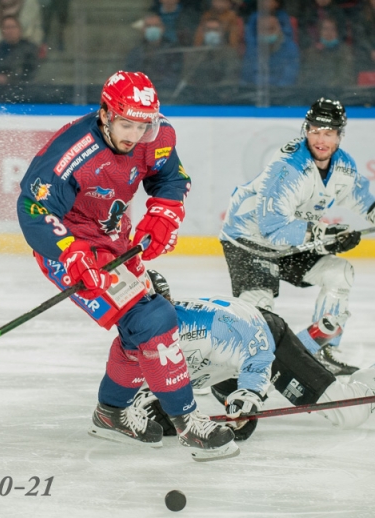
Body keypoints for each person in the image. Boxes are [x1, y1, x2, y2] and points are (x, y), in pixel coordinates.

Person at [16, 71, 238, 462]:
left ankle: (112, 413)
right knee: (153, 318)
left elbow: (169, 178)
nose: (134, 135)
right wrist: (71, 253)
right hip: (70, 246)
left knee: (143, 325)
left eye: (142, 124)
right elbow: (33, 209)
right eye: (126, 124)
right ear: (105, 114)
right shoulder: (72, 152)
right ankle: (187, 423)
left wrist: (165, 215)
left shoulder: (157, 134)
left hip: (114, 241)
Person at [134, 270, 375, 441]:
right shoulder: (132, 338)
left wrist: (248, 395)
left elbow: (257, 355)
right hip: (223, 363)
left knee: (347, 413)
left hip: (263, 338)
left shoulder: (210, 327)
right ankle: (312, 341)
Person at [219, 98, 375, 375]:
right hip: (249, 242)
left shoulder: (343, 165)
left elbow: (359, 197)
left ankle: (322, 348)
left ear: (339, 136)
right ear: (306, 130)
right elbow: (272, 227)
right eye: (315, 131)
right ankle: (222, 370)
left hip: (294, 239)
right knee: (259, 314)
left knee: (339, 273)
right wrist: (324, 233)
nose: (321, 140)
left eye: (329, 133)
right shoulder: (288, 168)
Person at [125, 12, 183, 93]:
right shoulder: (135, 52)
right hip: (141, 94)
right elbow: (131, 76)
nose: (152, 29)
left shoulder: (173, 50)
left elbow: (174, 76)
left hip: (166, 94)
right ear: (143, 29)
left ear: (163, 28)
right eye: (148, 26)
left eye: (156, 26)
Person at [240, 13, 300, 86]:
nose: (267, 33)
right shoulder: (252, 49)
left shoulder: (291, 48)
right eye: (263, 29)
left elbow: (289, 78)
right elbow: (246, 77)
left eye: (271, 29)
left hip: (282, 93)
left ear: (279, 29)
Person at [299, 16, 355, 87]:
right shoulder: (311, 52)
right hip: (315, 92)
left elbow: (346, 77)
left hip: (338, 92)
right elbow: (306, 77)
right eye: (325, 29)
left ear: (337, 32)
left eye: (333, 29)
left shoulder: (345, 51)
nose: (329, 32)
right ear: (320, 32)